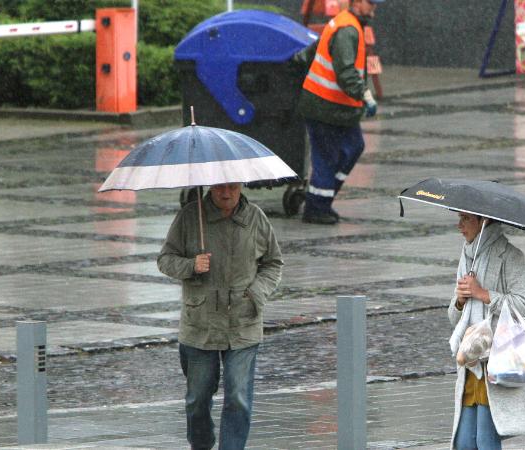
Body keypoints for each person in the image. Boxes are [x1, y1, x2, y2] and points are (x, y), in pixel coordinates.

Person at [157, 182, 283, 450]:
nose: (226, 194)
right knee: (197, 399)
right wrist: (191, 265)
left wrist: (257, 292)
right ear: (210, 188)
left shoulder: (255, 218)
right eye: (219, 188)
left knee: (238, 397)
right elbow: (165, 259)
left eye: (232, 188)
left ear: (241, 187)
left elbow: (273, 263)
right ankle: (201, 445)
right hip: (200, 325)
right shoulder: (191, 217)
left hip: (243, 322)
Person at [447, 212, 525, 449]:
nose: (459, 225)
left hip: (497, 360)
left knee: (486, 442)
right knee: (464, 444)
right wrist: (459, 300)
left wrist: (483, 294)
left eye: (466, 219)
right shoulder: (467, 256)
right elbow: (454, 317)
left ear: (484, 221)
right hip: (470, 360)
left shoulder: (510, 256)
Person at [297, 0, 384, 225]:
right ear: (356, 2)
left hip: (335, 108)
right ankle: (316, 208)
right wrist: (364, 95)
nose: (373, 8)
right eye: (370, 3)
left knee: (352, 148)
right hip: (325, 107)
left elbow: (314, 51)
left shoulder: (346, 24)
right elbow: (345, 72)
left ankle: (321, 199)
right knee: (328, 157)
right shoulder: (347, 29)